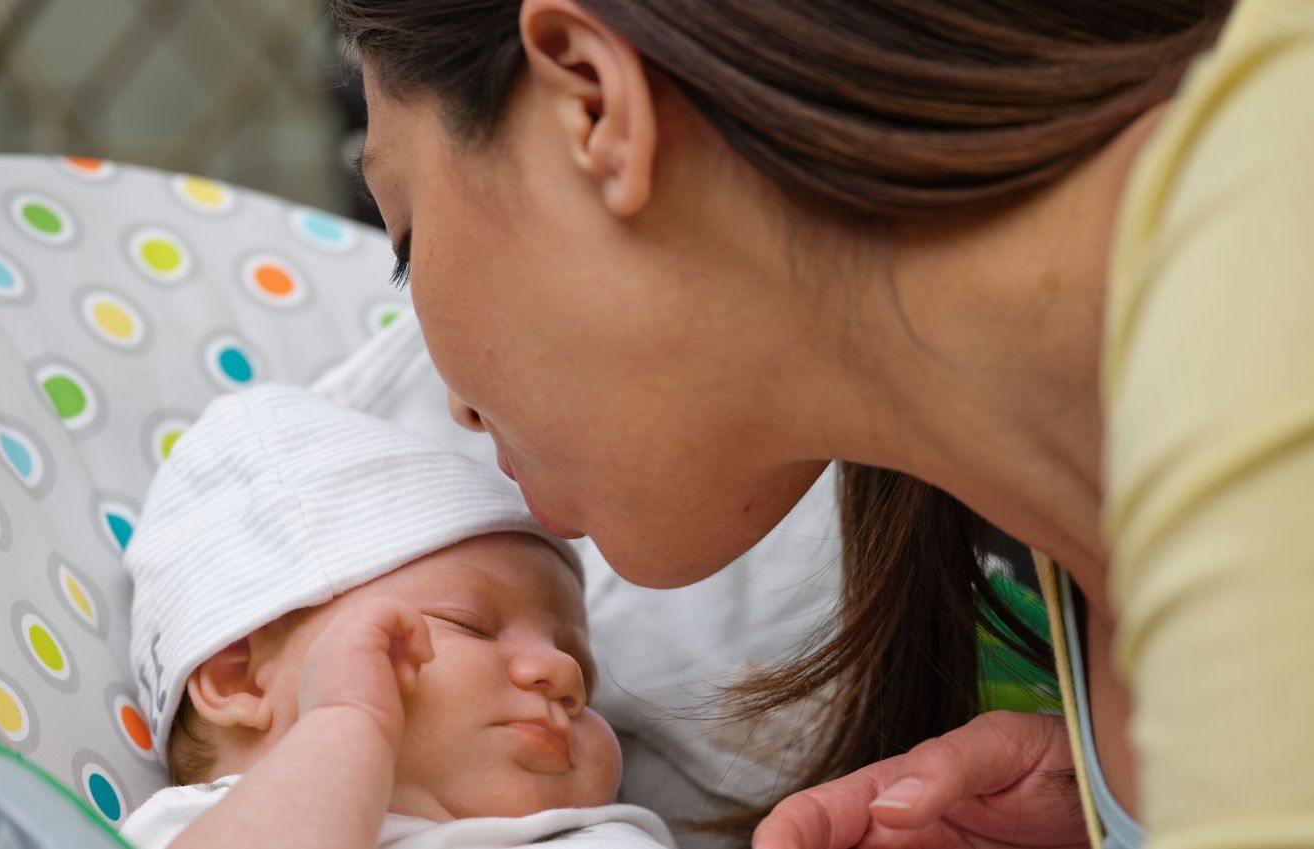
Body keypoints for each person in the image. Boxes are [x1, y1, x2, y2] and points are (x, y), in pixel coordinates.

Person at [330, 0, 1314, 847]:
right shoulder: (1057, 607)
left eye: (407, 242)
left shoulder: (1263, 301)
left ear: (594, 101)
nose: (452, 401)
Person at [120, 384, 676, 849]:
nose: (565, 675)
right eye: (469, 624)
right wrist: (347, 724)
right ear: (239, 675)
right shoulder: (219, 823)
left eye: (581, 666)